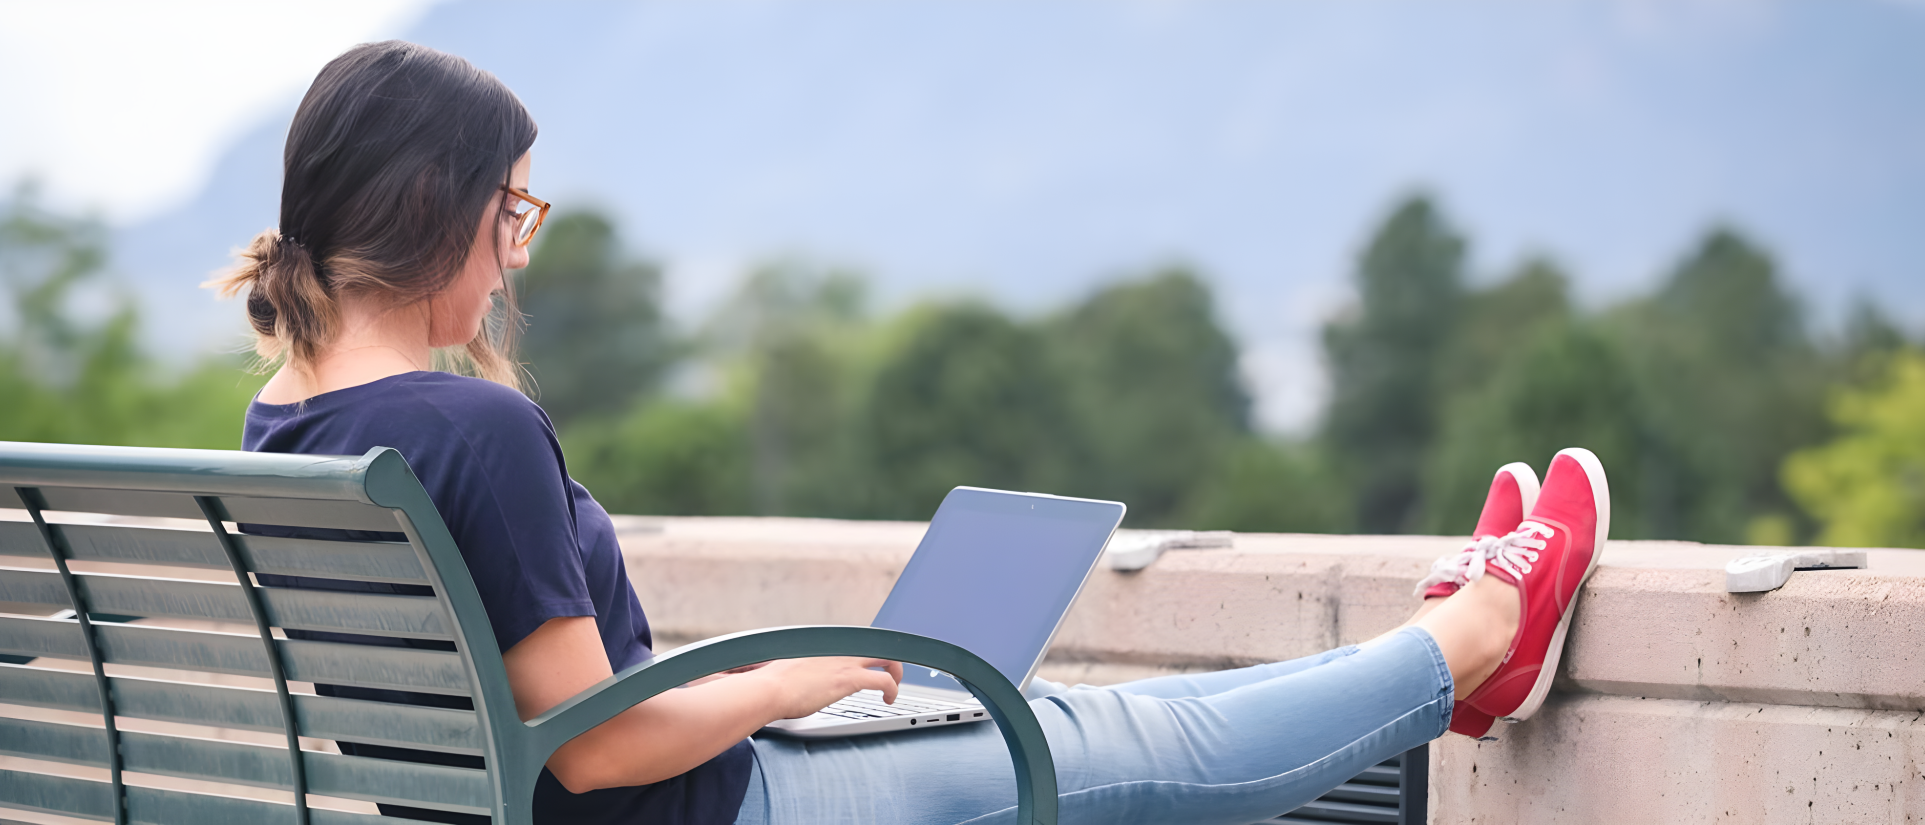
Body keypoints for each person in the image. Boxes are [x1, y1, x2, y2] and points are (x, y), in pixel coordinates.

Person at [211, 40, 1610, 825]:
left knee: (1064, 721)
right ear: (430, 202)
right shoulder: (467, 429)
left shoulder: (285, 428)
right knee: (1121, 741)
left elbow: (546, 724)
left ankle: (1448, 663)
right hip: (708, 818)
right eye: (509, 213)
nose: (513, 257)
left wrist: (761, 682)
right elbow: (589, 748)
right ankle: (1476, 638)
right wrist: (789, 677)